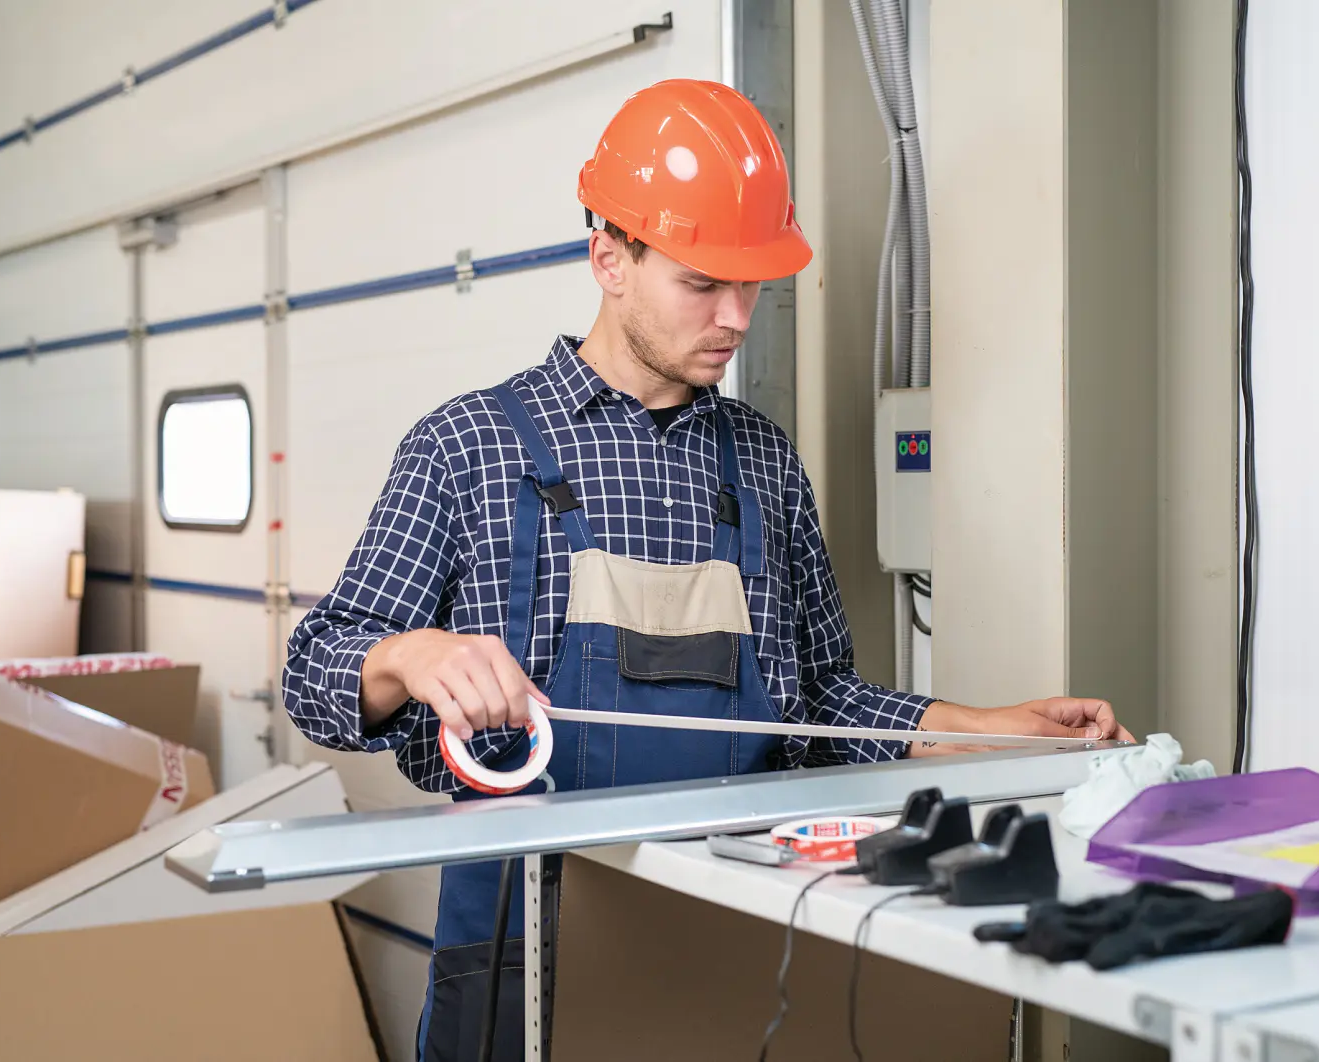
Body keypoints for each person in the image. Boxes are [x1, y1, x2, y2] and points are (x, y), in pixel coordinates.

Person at [283, 78, 1132, 1062]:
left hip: (733, 932)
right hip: (523, 945)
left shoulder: (762, 463)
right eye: (700, 282)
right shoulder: (467, 448)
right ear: (608, 257)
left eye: (751, 284)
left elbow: (820, 716)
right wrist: (412, 657)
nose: (735, 318)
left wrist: (993, 734)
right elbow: (315, 675)